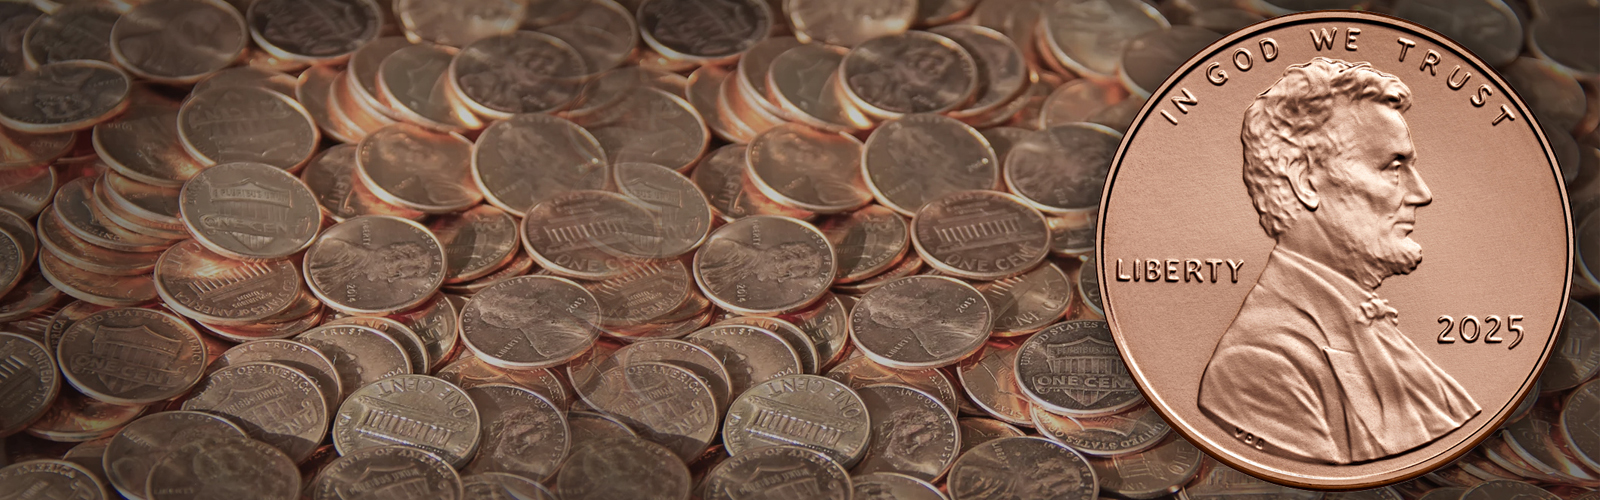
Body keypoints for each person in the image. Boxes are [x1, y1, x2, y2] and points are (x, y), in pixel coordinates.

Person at [1197, 58, 1480, 465]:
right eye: (1393, 167)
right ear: (1304, 180)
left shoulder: (1368, 325)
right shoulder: (1260, 363)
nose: (1422, 193)